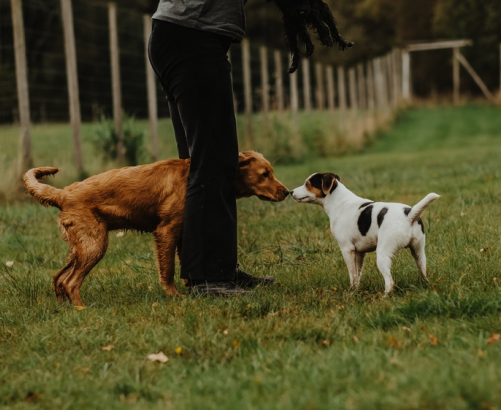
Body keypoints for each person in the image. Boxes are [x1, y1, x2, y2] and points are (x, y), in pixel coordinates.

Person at [148, 0, 351, 296]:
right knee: (214, 159)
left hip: (186, 36)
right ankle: (209, 278)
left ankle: (215, 270)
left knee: (200, 161)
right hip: (191, 37)